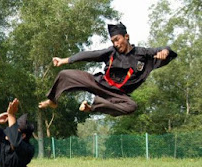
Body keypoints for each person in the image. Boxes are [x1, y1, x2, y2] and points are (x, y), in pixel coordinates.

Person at [39, 22, 177, 116]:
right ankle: (52, 101)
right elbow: (90, 55)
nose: (116, 44)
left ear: (126, 37)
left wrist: (165, 51)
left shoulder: (142, 53)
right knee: (65, 75)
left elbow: (166, 50)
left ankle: (92, 107)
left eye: (117, 40)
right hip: (99, 83)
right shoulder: (111, 52)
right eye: (113, 42)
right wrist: (64, 60)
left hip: (117, 94)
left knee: (131, 106)